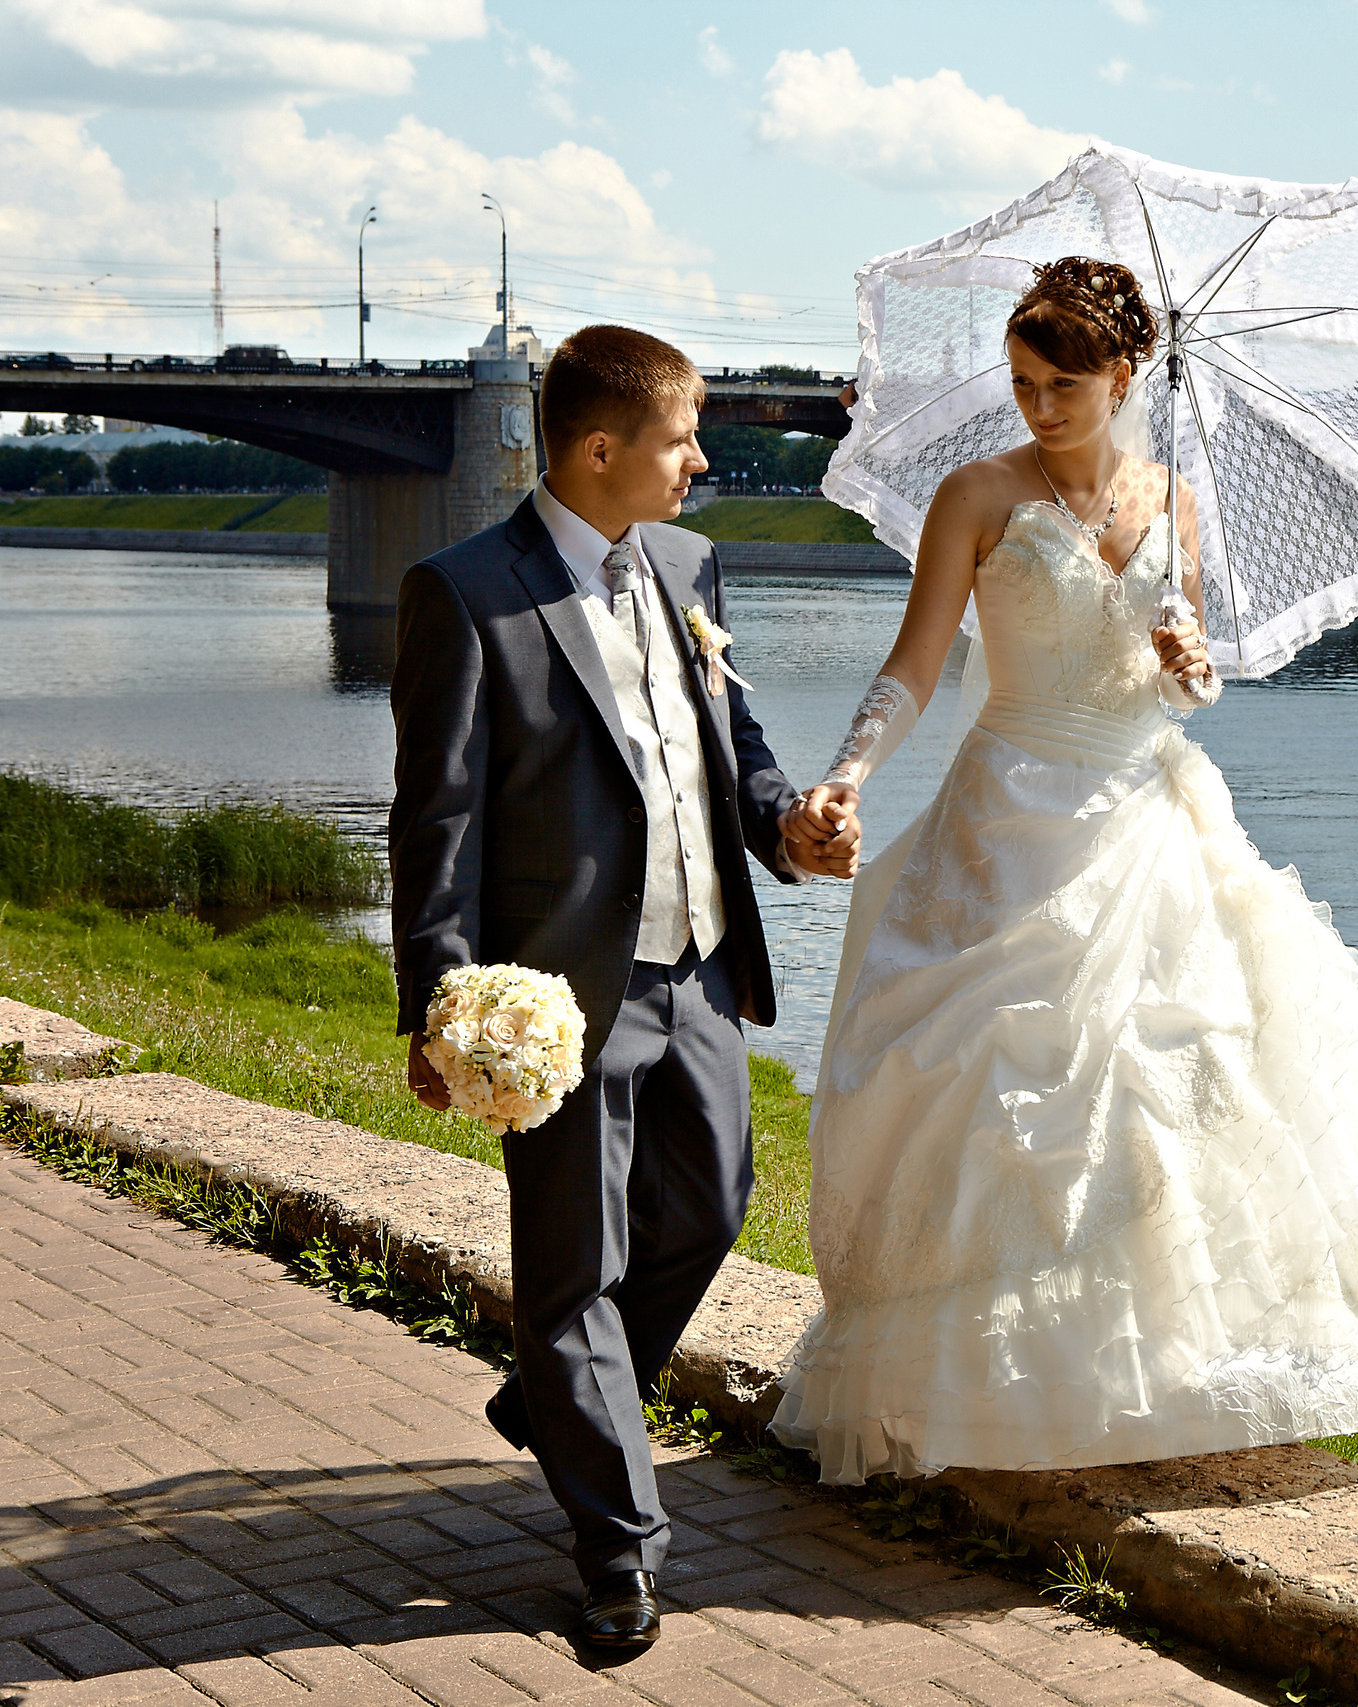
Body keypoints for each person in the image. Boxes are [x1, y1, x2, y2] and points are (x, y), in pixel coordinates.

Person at [768, 258, 1358, 1484]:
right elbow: (917, 662)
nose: (1038, 407)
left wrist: (1192, 667)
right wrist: (847, 773)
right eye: (1022, 383)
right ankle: (979, 1393)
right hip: (1003, 827)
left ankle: (1152, 1382)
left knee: (1182, 1092)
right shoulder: (977, 495)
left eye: (1063, 386)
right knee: (995, 1099)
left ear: (1124, 377)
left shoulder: (1175, 499)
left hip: (1145, 818)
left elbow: (1176, 685)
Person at [390, 325, 843, 1651]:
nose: (702, 462)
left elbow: (730, 745)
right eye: (682, 440)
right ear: (600, 449)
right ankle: (620, 1551)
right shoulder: (466, 592)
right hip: (557, 999)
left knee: (711, 1206)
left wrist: (787, 825)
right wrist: (442, 1007)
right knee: (573, 1272)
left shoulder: (689, 567)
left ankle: (556, 1392)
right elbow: (437, 823)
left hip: (699, 969)